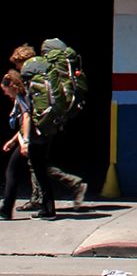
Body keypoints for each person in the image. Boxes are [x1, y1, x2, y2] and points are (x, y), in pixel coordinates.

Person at [8, 44, 86, 213]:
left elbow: (27, 111)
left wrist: (22, 138)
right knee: (38, 163)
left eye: (17, 63)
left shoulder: (30, 74)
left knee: (36, 165)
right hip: (51, 120)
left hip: (39, 125)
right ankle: (44, 200)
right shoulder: (47, 67)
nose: (18, 68)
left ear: (21, 60)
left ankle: (52, 196)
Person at [1, 70, 56, 220]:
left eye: (6, 90)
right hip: (40, 137)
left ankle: (6, 210)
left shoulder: (21, 95)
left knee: (12, 171)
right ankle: (48, 209)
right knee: (40, 172)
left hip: (32, 140)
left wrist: (25, 142)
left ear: (12, 85)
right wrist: (13, 141)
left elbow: (26, 118)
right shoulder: (31, 92)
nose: (6, 94)